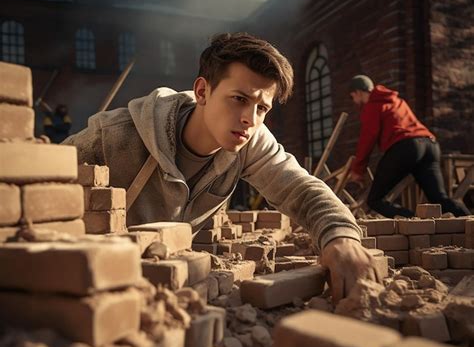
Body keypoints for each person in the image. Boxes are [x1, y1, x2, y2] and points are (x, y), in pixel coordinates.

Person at [64, 33, 380, 303]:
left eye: (262, 108)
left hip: (171, 291)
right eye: (239, 99)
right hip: (94, 285)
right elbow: (36, 177)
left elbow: (300, 188)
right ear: (203, 91)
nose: (250, 119)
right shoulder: (115, 136)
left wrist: (340, 236)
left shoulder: (251, 141)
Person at [348, 75, 470, 217]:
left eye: (352, 97)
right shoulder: (397, 101)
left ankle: (413, 222)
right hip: (430, 145)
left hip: (406, 147)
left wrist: (358, 170)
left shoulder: (372, 105)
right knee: (439, 198)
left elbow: (367, 139)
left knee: (375, 200)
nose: (354, 101)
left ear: (358, 92)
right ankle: (470, 222)